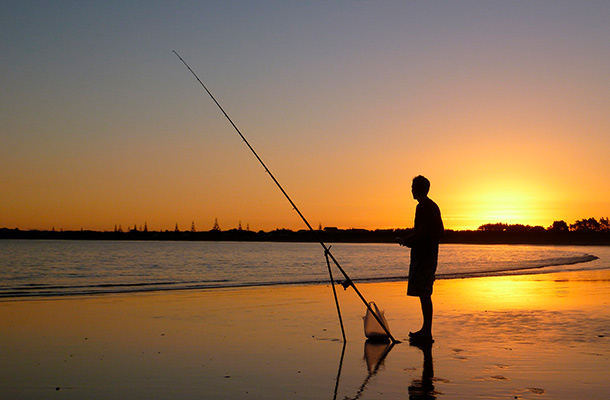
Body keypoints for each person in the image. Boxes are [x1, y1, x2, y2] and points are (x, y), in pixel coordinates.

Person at [399, 175, 443, 343]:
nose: (411, 190)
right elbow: (436, 233)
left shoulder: (423, 207)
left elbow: (423, 232)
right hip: (429, 254)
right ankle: (426, 330)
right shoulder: (432, 206)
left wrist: (406, 239)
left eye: (412, 187)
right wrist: (410, 241)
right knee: (425, 293)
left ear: (417, 189)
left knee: (424, 293)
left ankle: (427, 332)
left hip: (424, 257)